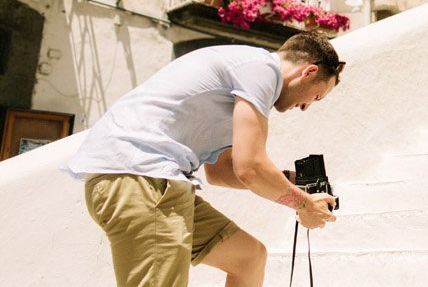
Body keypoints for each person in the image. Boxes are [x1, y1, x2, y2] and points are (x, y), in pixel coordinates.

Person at [62, 31, 345, 286]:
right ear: (308, 72)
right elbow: (250, 168)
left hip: (155, 182)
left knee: (248, 258)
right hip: (143, 178)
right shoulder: (262, 70)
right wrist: (305, 205)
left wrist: (293, 182)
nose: (306, 107)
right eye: (317, 97)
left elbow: (222, 172)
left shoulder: (240, 80)